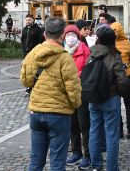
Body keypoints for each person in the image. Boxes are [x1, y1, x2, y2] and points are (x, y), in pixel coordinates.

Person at [21, 17, 81, 171]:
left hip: (36, 111)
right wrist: (75, 105)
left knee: (35, 161)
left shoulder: (33, 54)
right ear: (62, 35)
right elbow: (73, 89)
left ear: (45, 34)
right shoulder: (65, 58)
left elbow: (25, 81)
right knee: (57, 163)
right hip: (59, 114)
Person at [87, 25, 130, 171]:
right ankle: (112, 168)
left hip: (94, 98)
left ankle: (96, 165)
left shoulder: (91, 53)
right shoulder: (114, 55)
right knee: (111, 135)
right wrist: (123, 93)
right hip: (110, 97)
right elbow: (122, 80)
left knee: (94, 131)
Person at [64, 24, 92, 169]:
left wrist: (76, 78)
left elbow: (87, 71)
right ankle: (76, 152)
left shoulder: (85, 50)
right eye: (67, 35)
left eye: (72, 35)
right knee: (72, 125)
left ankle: (88, 154)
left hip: (81, 93)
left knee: (84, 124)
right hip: (68, 94)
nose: (70, 38)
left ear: (78, 36)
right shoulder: (63, 52)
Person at [110, 21, 130, 139]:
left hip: (114, 77)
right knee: (129, 104)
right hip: (126, 77)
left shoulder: (110, 44)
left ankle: (119, 131)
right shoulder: (127, 43)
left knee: (116, 104)